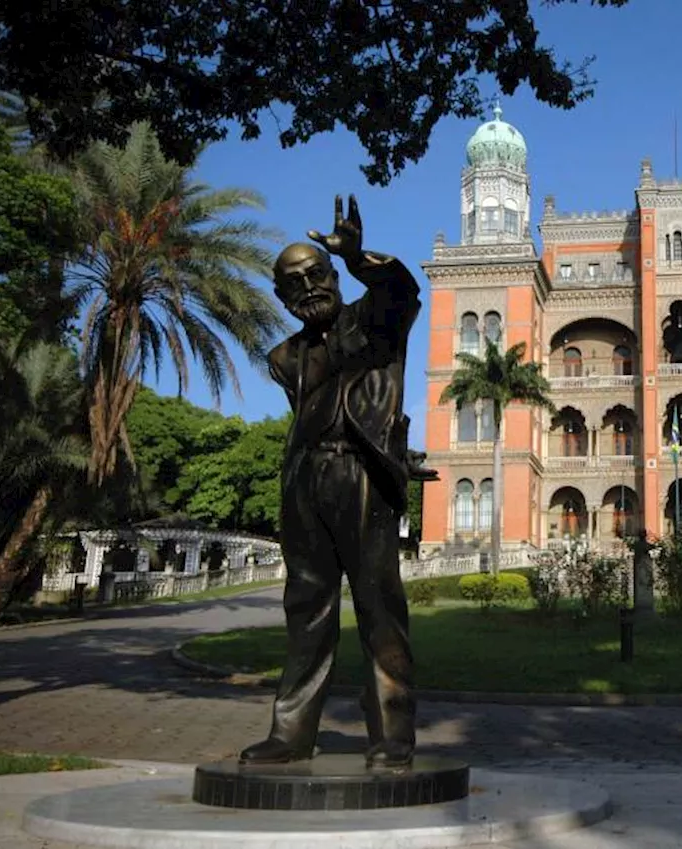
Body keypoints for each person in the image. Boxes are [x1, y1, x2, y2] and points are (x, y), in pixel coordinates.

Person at [239, 195, 420, 768]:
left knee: (378, 607)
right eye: (295, 283)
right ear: (281, 296)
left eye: (317, 273)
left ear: (333, 276)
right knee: (307, 607)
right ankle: (291, 735)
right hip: (304, 481)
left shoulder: (374, 323)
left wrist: (358, 257)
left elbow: (402, 292)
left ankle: (391, 738)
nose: (309, 288)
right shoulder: (284, 357)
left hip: (360, 474)